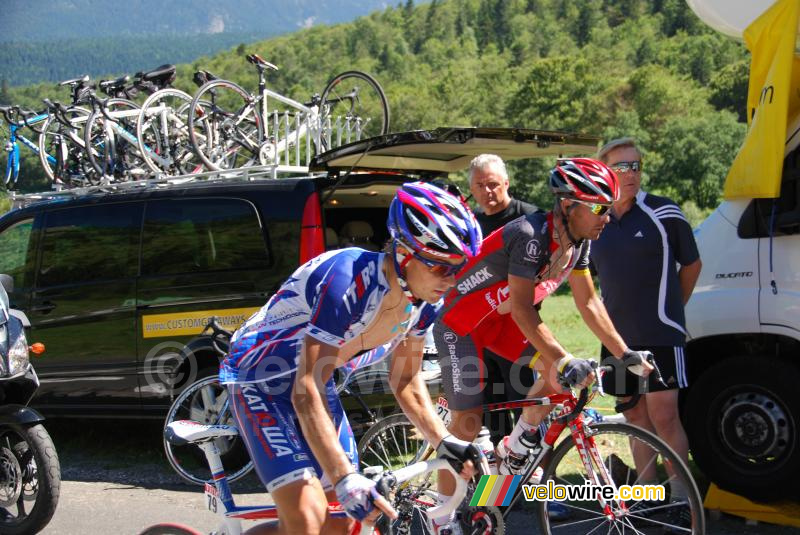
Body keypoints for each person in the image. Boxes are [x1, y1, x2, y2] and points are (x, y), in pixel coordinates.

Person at [219, 182, 484, 535]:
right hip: (261, 384)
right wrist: (345, 479)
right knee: (307, 517)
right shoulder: (350, 278)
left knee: (345, 524)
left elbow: (405, 380)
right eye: (440, 267)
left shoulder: (423, 305)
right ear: (405, 253)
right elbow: (306, 385)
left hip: (313, 386)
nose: (451, 280)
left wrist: (444, 441)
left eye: (459, 267)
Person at [432, 158, 654, 534]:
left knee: (554, 379)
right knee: (466, 424)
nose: (607, 217)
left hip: (499, 323)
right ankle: (441, 519)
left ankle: (505, 462)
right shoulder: (531, 235)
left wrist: (624, 353)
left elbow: (588, 302)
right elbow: (522, 307)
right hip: (461, 324)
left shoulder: (579, 244)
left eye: (609, 207)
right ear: (568, 206)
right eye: (599, 207)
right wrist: (566, 358)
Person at [591, 138, 701, 521]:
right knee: (636, 419)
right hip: (616, 340)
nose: (631, 174)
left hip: (660, 335)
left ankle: (683, 501)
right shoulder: (595, 217)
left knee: (665, 416)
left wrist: (672, 314)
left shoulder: (664, 211)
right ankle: (647, 500)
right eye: (622, 167)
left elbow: (692, 265)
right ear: (605, 171)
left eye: (636, 166)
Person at [468, 154, 542, 444]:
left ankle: (535, 484)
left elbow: (545, 273)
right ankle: (501, 487)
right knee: (493, 417)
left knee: (528, 413)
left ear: (507, 183)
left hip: (519, 331)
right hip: (481, 335)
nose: (488, 191)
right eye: (480, 185)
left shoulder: (530, 219)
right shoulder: (469, 225)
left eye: (493, 184)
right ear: (472, 189)